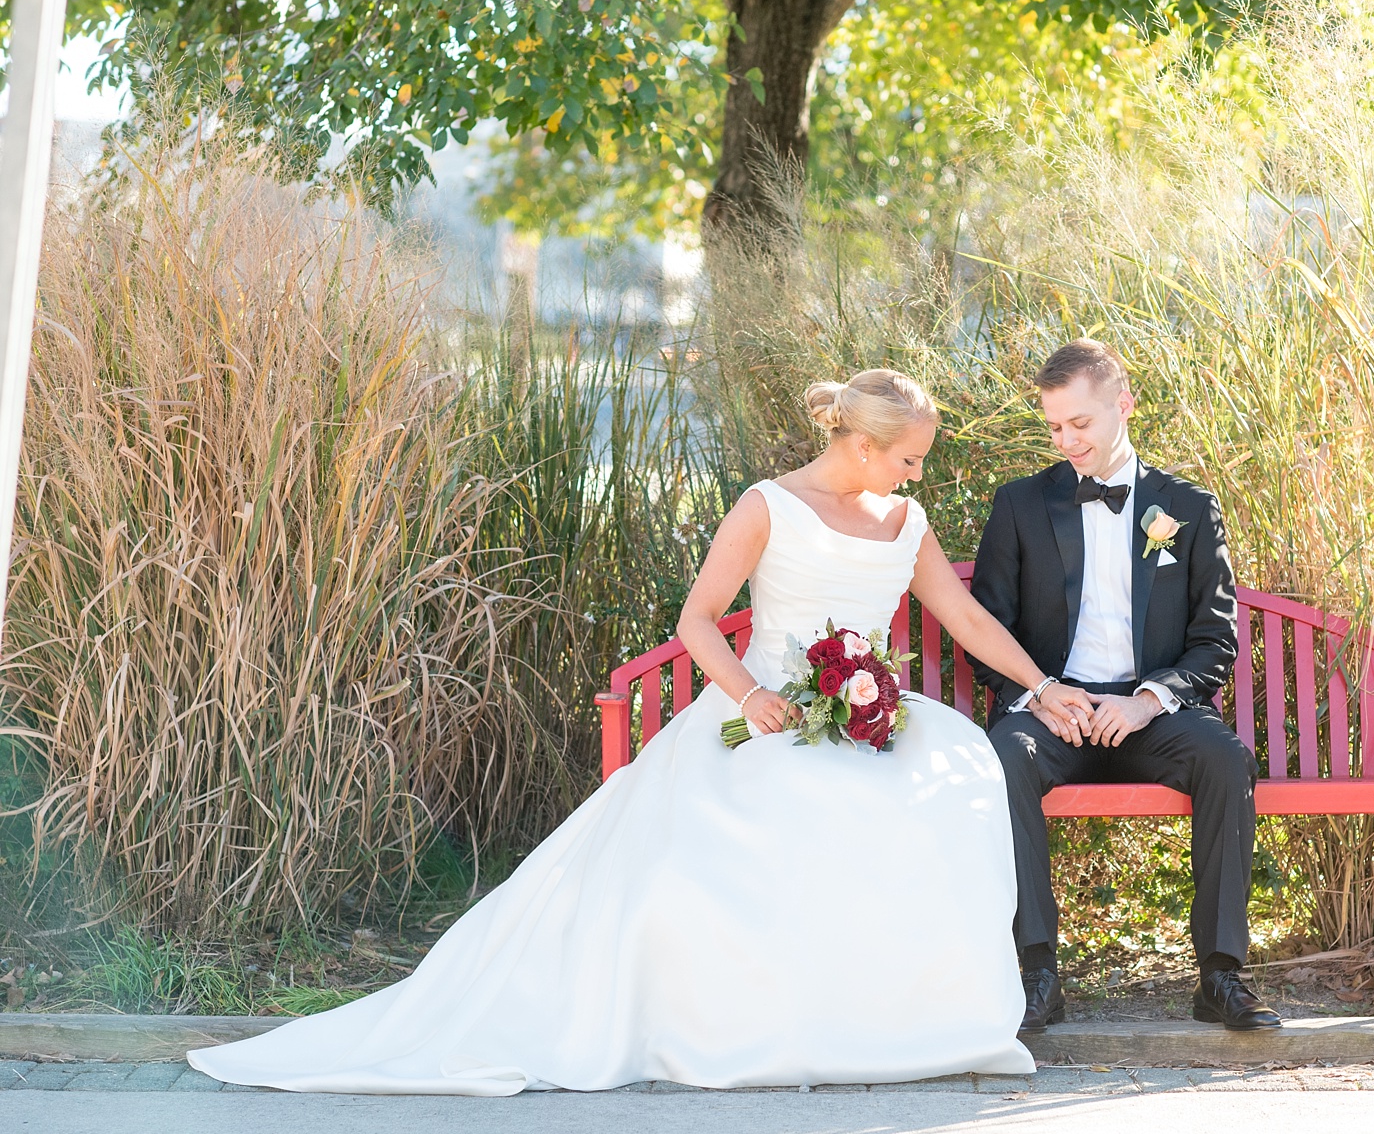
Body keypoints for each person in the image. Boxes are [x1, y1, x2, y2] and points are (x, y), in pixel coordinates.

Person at [186, 369, 1098, 1095]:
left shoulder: (908, 519)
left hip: (864, 714)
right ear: (861, 445)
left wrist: (1044, 684)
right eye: (908, 459)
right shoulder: (767, 505)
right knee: (772, 810)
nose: (917, 475)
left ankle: (904, 1021)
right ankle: (769, 1025)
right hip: (767, 709)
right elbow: (700, 618)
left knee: (957, 776)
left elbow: (967, 621)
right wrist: (748, 695)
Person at [969, 339, 1282, 1033]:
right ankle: (1036, 974)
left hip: (1150, 711)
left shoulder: (1188, 507)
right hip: (1053, 707)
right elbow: (988, 629)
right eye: (1054, 426)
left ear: (1123, 405)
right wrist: (1044, 691)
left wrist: (1146, 701)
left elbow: (1215, 639)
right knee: (1004, 757)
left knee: (1225, 758)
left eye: (1079, 422)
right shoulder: (1020, 505)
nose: (1065, 439)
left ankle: (1222, 975)